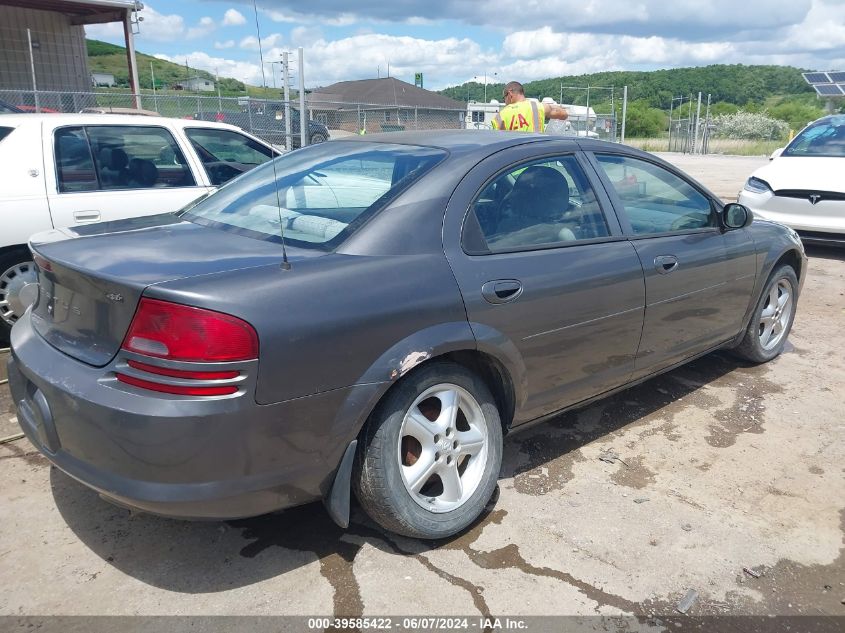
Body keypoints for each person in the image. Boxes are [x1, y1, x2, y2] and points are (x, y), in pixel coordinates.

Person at [491, 81, 568, 132]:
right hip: (535, 153)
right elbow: (563, 114)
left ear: (510, 94)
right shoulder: (538, 106)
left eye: (504, 97)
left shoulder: (500, 116)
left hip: (514, 155)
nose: (505, 101)